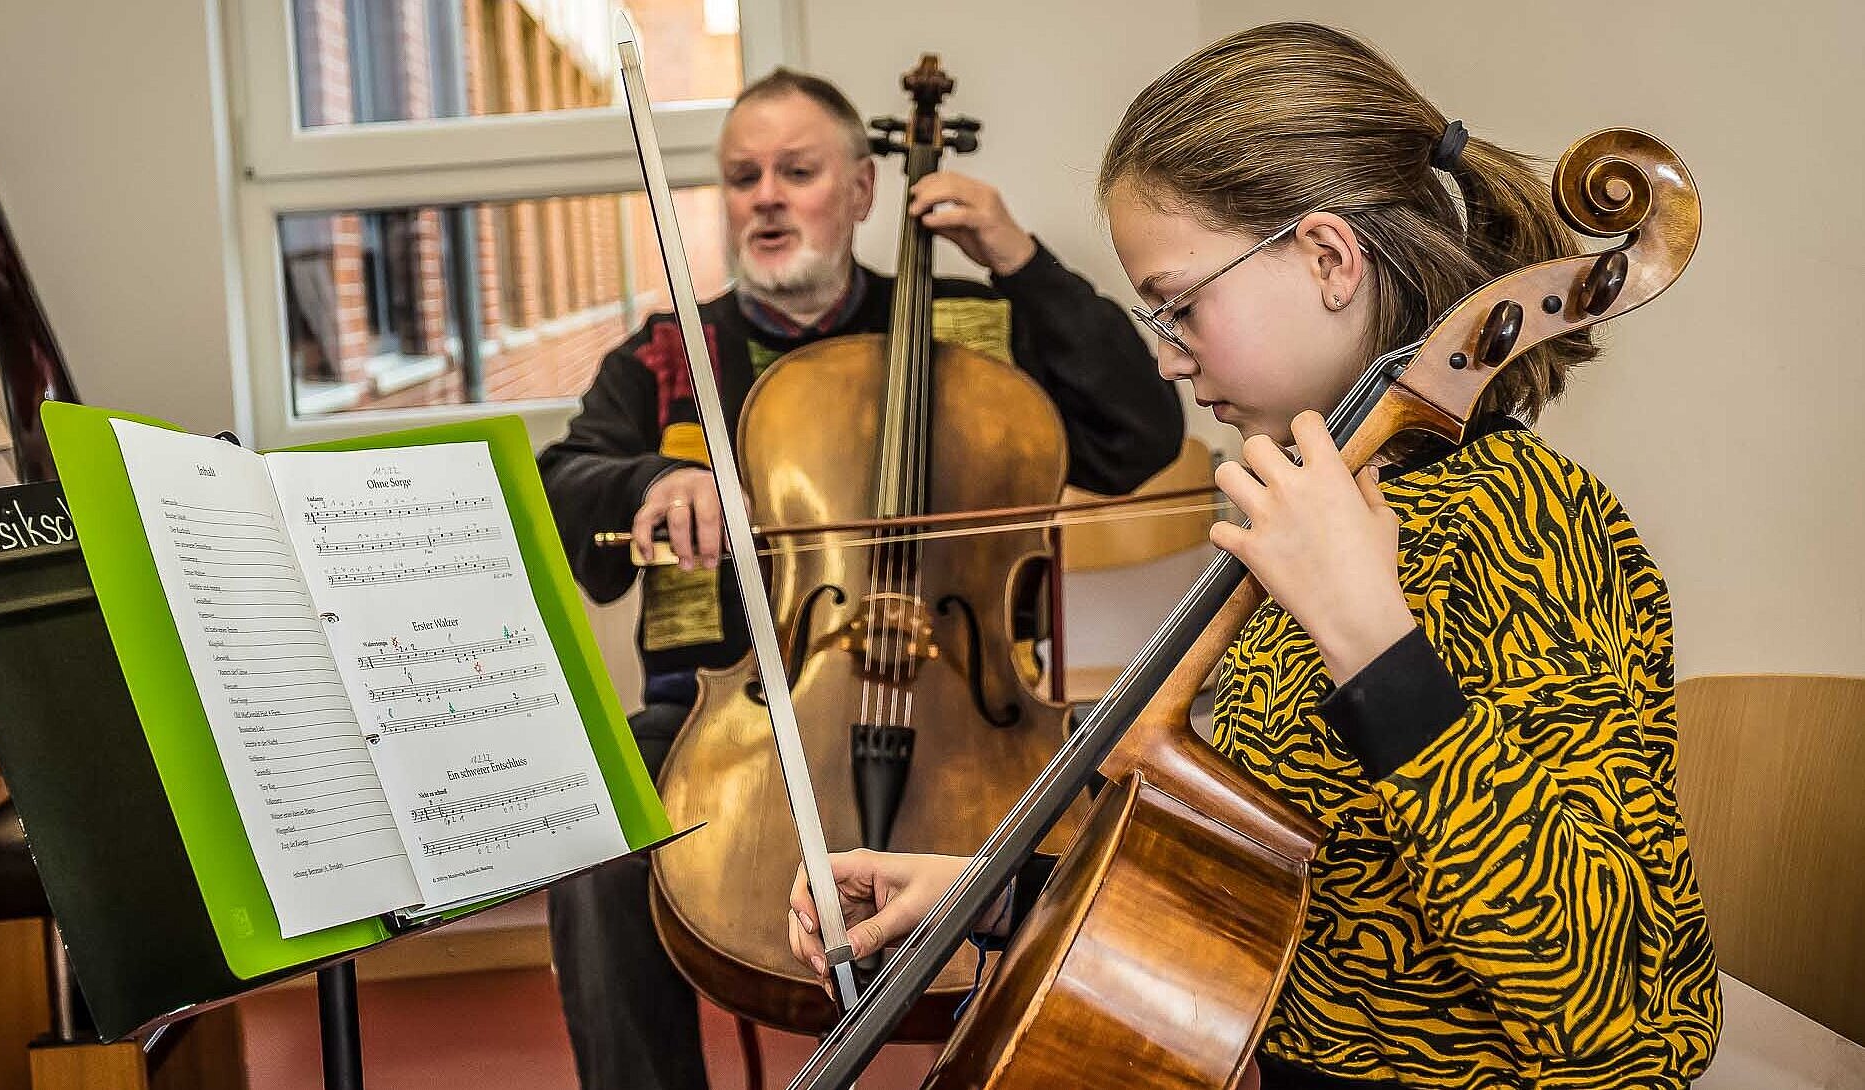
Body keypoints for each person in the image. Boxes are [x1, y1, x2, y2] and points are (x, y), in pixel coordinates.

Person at [790, 23, 1720, 1090]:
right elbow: (1266, 888)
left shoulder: (1526, 523)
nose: (1169, 353)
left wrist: (1375, 643)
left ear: (1328, 257)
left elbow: (1609, 999)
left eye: (1182, 302)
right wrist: (995, 893)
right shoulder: (1317, 510)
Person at [538, 66, 1184, 1090]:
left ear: (862, 190)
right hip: (736, 723)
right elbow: (561, 483)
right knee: (597, 843)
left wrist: (1020, 264)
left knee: (1099, 845)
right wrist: (652, 473)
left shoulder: (969, 330)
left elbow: (1140, 433)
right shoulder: (671, 357)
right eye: (742, 176)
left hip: (968, 715)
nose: (766, 196)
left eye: (797, 170)